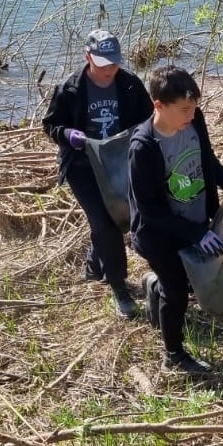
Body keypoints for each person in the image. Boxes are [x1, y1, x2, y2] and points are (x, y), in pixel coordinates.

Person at [128, 64, 223, 376]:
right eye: (183, 109)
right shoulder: (143, 148)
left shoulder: (195, 120)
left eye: (194, 107)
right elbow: (150, 211)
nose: (191, 115)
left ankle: (155, 287)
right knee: (178, 291)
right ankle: (174, 355)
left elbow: (207, 159)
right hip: (158, 234)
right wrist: (196, 234)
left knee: (192, 282)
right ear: (158, 105)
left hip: (192, 222)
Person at [42, 28, 153, 319]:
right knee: (104, 222)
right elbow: (51, 125)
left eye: (114, 63)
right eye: (103, 64)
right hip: (82, 166)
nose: (109, 70)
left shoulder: (129, 84)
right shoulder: (70, 88)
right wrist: (68, 135)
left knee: (122, 216)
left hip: (118, 160)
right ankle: (118, 286)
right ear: (88, 58)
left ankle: (94, 264)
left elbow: (148, 121)